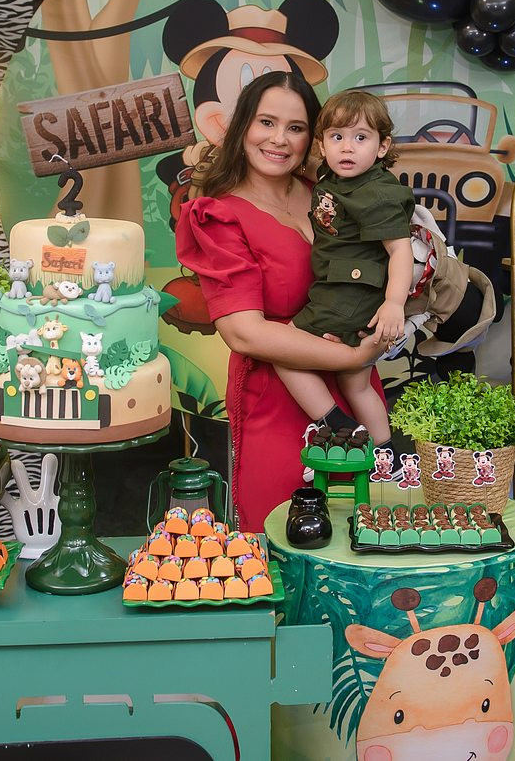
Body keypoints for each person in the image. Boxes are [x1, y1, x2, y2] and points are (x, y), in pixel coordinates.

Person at [174, 71, 385, 530]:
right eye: (266, 122)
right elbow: (244, 333)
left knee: (366, 529)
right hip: (278, 395)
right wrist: (354, 355)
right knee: (285, 531)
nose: (279, 139)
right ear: (242, 126)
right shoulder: (220, 214)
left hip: (355, 382)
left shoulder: (330, 194)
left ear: (314, 137)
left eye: (296, 127)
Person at [275, 90, 415, 448]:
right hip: (347, 292)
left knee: (281, 350)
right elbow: (310, 165)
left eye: (361, 138)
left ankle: (339, 427)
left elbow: (400, 250)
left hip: (347, 295)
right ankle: (385, 455)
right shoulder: (336, 175)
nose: (347, 148)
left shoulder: (377, 195)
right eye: (337, 137)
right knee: (356, 382)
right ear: (322, 145)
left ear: (383, 147)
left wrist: (394, 303)